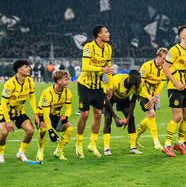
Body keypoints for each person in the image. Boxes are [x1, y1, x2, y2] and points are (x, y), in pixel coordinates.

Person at [76, 25, 114, 158]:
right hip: (85, 84)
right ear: (99, 35)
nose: (108, 34)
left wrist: (110, 86)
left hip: (98, 86)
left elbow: (108, 69)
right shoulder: (88, 47)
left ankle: (92, 144)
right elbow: (85, 66)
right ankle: (79, 144)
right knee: (85, 115)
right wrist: (101, 70)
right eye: (106, 32)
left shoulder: (108, 48)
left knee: (98, 114)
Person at [162, 25, 186, 157]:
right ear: (181, 36)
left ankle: (179, 143)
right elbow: (165, 68)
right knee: (178, 116)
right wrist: (175, 82)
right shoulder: (174, 50)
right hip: (174, 88)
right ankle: (167, 145)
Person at [0, 60, 40, 163]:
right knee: (4, 132)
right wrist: (8, 121)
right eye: (26, 67)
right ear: (19, 70)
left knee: (30, 130)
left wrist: (35, 113)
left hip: (18, 111)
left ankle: (21, 153)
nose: (29, 68)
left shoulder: (30, 81)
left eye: (29, 66)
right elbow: (3, 103)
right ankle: (0, 154)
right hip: (5, 111)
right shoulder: (10, 84)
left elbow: (32, 97)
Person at [36, 70, 73, 161]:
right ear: (59, 81)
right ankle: (40, 151)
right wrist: (50, 131)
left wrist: (66, 117)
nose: (68, 81)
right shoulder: (47, 93)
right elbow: (45, 114)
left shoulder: (67, 92)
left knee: (70, 128)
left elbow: (68, 108)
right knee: (43, 130)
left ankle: (58, 152)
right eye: (66, 79)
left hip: (55, 116)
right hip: (43, 115)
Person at [102, 70, 142, 155]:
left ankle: (133, 147)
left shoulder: (138, 86)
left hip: (123, 97)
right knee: (108, 118)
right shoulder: (116, 81)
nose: (140, 81)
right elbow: (107, 99)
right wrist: (116, 117)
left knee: (131, 118)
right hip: (110, 96)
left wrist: (127, 118)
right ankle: (106, 149)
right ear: (131, 80)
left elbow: (133, 102)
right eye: (138, 80)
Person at [135, 48, 168, 150]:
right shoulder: (146, 66)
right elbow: (141, 84)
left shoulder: (165, 68)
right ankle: (156, 142)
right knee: (151, 114)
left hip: (152, 95)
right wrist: (149, 97)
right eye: (163, 59)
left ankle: (134, 138)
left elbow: (161, 84)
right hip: (141, 92)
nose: (165, 61)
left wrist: (154, 96)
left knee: (150, 117)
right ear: (157, 57)